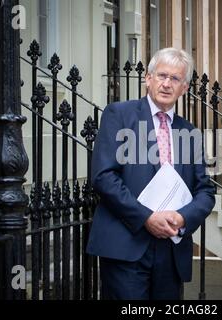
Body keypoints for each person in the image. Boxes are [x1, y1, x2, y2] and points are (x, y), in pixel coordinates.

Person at [86, 48, 215, 300]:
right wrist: (146, 217)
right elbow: (103, 176)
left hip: (171, 251)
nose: (167, 84)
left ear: (185, 88)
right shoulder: (119, 114)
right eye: (161, 75)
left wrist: (183, 217)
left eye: (175, 79)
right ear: (148, 79)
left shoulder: (190, 132)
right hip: (126, 246)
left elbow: (205, 191)